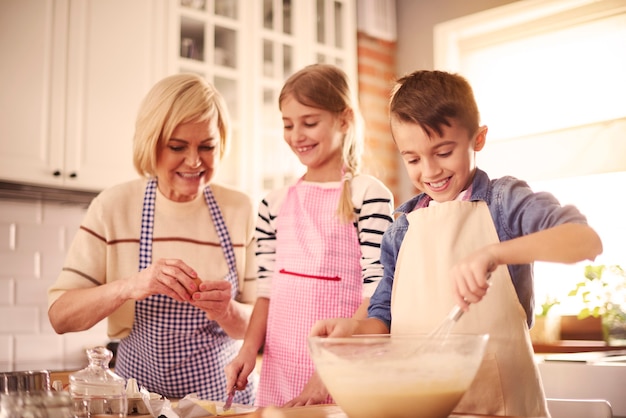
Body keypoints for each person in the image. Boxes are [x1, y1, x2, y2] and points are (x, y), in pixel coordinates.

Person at [310, 70, 603, 417]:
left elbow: (585, 241)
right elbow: (383, 319)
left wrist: (494, 253)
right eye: (413, 159)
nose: (430, 171)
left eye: (444, 152)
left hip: (504, 407)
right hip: (420, 405)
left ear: (477, 139)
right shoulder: (400, 229)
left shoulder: (503, 202)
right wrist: (354, 331)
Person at [47, 73, 258, 403]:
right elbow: (60, 316)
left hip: (222, 404)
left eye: (207, 146)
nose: (194, 161)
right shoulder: (113, 207)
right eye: (177, 147)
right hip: (137, 404)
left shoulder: (241, 210)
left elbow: (260, 327)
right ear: (151, 142)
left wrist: (226, 310)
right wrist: (130, 286)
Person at [224, 64, 394, 407]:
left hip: (345, 372)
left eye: (309, 122)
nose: (296, 135)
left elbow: (376, 293)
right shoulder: (272, 204)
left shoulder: (368, 195)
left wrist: (327, 372)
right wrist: (247, 349)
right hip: (279, 369)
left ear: (344, 120)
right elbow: (267, 291)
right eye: (288, 125)